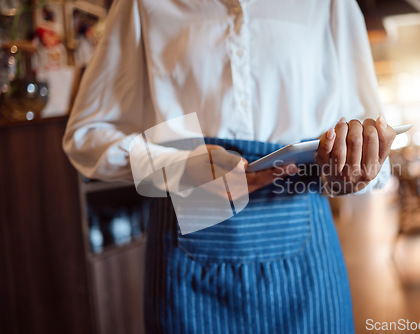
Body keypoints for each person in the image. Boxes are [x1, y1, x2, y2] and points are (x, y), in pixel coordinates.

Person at [63, 0, 396, 333]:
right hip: (185, 264)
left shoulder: (331, 4)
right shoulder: (141, 4)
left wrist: (352, 171)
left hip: (307, 264)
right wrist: (177, 168)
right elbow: (86, 136)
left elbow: (366, 144)